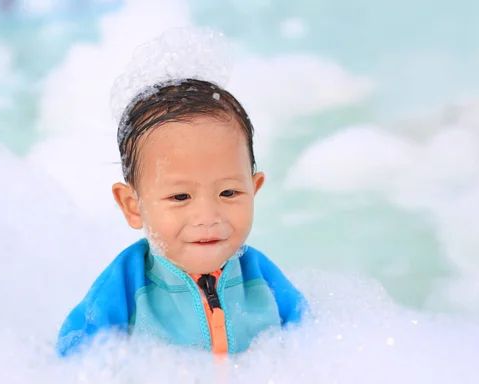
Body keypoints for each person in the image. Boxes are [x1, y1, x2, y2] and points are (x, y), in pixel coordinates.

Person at [56, 78, 310, 357]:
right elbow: (75, 357)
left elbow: (311, 340)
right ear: (133, 206)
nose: (208, 217)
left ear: (254, 189)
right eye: (180, 197)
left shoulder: (259, 275)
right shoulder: (127, 284)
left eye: (228, 192)